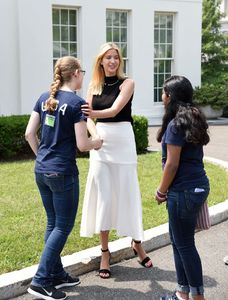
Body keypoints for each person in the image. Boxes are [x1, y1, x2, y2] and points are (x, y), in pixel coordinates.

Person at [25, 56, 102, 300]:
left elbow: (29, 134)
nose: (84, 77)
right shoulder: (77, 103)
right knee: (62, 226)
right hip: (63, 172)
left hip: (42, 171)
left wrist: (43, 159)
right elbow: (82, 144)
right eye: (83, 73)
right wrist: (97, 142)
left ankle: (56, 273)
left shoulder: (44, 98)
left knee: (53, 223)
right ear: (76, 73)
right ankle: (40, 281)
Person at [80, 42, 153, 279]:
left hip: (122, 140)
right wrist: (95, 133)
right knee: (105, 196)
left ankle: (137, 244)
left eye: (116, 57)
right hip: (100, 145)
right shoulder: (93, 85)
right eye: (107, 57)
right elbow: (87, 119)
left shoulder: (128, 83)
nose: (112, 61)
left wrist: (92, 115)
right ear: (100, 61)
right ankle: (104, 252)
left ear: (119, 61)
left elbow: (113, 110)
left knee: (128, 193)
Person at [155, 76, 210, 300]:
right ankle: (182, 292)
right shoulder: (194, 117)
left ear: (170, 96)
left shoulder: (175, 124)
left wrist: (161, 190)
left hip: (184, 190)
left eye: (163, 92)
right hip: (197, 186)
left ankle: (196, 296)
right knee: (179, 241)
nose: (161, 96)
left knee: (184, 244)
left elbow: (172, 163)